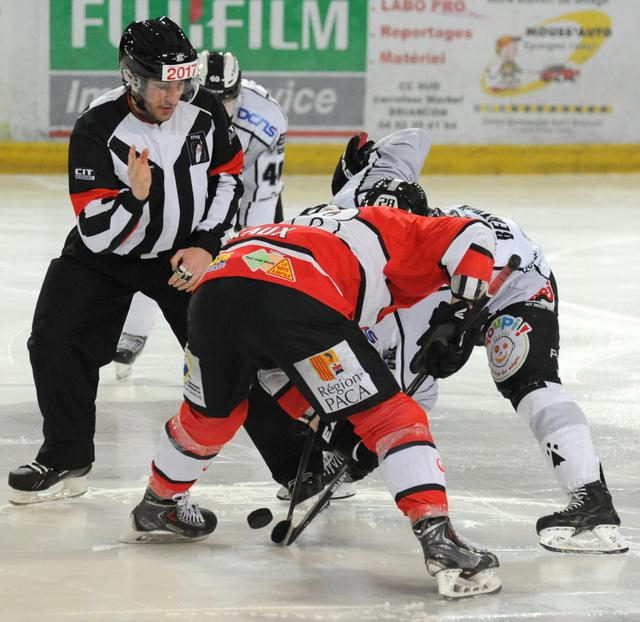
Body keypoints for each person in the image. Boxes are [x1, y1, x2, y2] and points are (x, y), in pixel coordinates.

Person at [250, 128, 627, 555]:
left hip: (517, 283)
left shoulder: (407, 274)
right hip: (465, 268)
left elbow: (411, 393)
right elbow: (411, 140)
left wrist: (358, 449)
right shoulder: (366, 199)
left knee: (527, 380)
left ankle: (591, 498)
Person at [121, 200, 502, 599]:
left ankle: (157, 506)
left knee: (210, 416)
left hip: (215, 288)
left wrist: (336, 432)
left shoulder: (313, 226)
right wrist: (460, 315)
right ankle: (440, 541)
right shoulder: (398, 222)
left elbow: (277, 373)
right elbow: (475, 233)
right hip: (297, 289)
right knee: (392, 418)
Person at [7, 17, 244, 505]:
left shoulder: (204, 111)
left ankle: (298, 464)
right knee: (55, 339)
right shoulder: (96, 126)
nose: (174, 96)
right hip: (104, 259)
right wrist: (134, 198)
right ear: (132, 78)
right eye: (162, 86)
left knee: (237, 347)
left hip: (182, 256)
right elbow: (95, 229)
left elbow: (228, 177)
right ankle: (66, 458)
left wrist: (206, 244)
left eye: (181, 84)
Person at [113, 50, 288, 379]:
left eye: (226, 99)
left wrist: (250, 244)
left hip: (239, 184)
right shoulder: (168, 105)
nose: (216, 107)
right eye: (209, 97)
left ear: (239, 94)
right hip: (187, 181)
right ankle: (134, 328)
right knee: (152, 242)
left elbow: (262, 193)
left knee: (257, 258)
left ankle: (254, 336)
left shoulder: (267, 119)